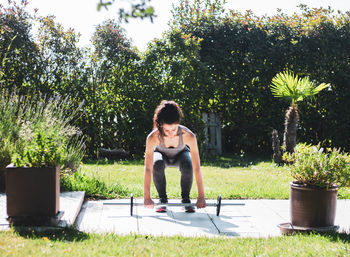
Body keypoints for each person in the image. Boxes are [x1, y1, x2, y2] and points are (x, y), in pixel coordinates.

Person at [143, 100, 206, 213]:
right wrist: (146, 197)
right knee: (156, 164)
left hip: (181, 155)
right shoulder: (153, 137)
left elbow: (197, 168)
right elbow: (148, 168)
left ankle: (186, 199)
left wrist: (201, 196)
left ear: (178, 123)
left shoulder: (189, 136)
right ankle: (162, 200)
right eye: (167, 130)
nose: (171, 133)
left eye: (174, 129)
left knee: (188, 164)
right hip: (161, 155)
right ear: (160, 125)